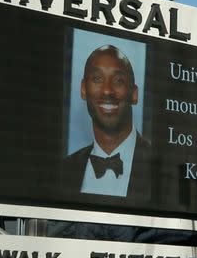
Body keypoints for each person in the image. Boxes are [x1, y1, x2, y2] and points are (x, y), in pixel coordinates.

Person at [62, 44, 152, 200]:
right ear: (83, 89)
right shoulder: (64, 169)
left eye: (118, 80)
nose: (107, 91)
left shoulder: (162, 167)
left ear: (134, 94)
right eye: (97, 79)